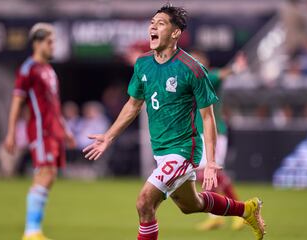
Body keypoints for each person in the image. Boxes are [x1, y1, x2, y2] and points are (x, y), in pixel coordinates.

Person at [83, 4, 265, 240]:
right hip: (161, 149)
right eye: (151, 23)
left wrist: (210, 162)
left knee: (144, 202)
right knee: (192, 204)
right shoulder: (143, 64)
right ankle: (246, 209)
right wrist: (108, 136)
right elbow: (133, 105)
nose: (152, 27)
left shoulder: (192, 69)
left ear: (175, 32)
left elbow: (207, 117)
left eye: (160, 23)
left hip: (183, 149)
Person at [4, 23, 75, 240]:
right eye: (50, 42)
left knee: (49, 175)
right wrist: (11, 132)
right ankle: (31, 230)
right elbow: (17, 101)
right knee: (44, 174)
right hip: (41, 131)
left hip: (53, 131)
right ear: (37, 42)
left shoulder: (48, 70)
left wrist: (64, 129)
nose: (53, 46)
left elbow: (54, 104)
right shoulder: (29, 69)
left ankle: (34, 229)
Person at [190, 50, 247, 230]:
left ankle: (241, 212)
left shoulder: (208, 76)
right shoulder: (192, 81)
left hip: (214, 133)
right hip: (201, 133)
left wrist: (237, 67)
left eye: (193, 61)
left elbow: (223, 73)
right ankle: (215, 215)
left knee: (214, 173)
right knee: (202, 175)